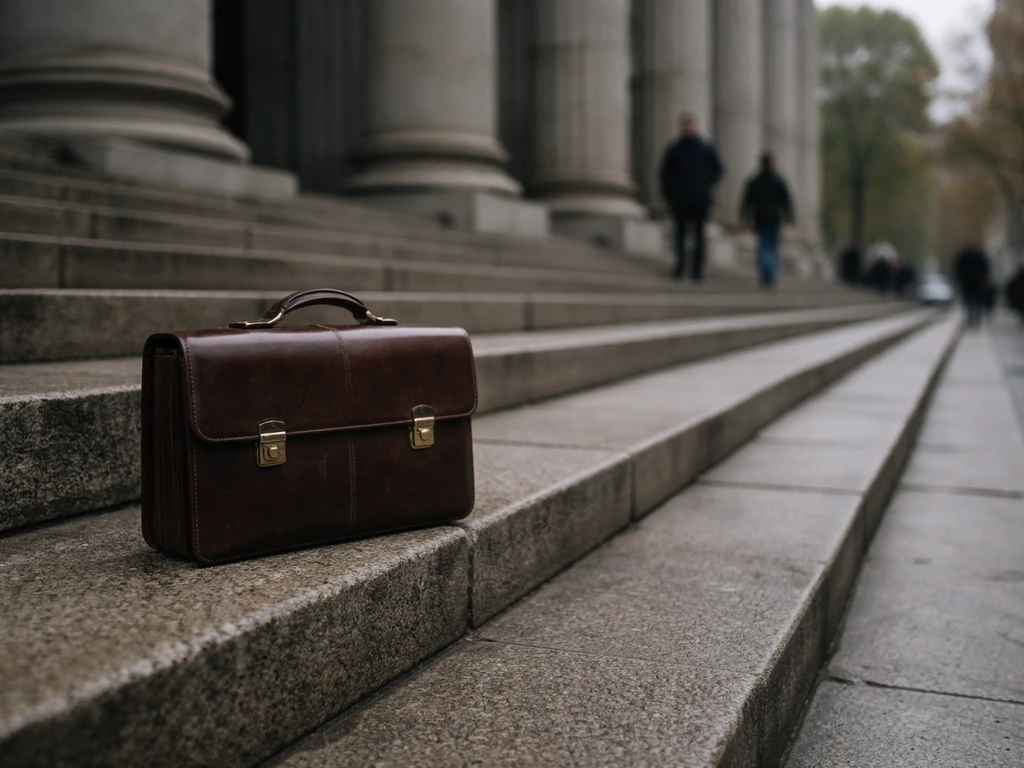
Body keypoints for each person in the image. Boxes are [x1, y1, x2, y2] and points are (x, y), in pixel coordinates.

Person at [659, 113, 724, 282]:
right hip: (680, 198)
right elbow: (665, 174)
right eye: (685, 126)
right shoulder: (675, 149)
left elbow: (718, 170)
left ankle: (697, 269)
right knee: (680, 233)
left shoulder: (706, 149)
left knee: (699, 235)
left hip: (699, 198)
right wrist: (667, 196)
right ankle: (680, 263)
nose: (688, 129)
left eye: (691, 125)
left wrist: (705, 183)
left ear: (696, 127)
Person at [739, 152, 795, 287]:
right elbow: (786, 201)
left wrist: (745, 216)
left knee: (763, 247)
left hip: (760, 218)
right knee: (773, 248)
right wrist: (789, 216)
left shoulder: (755, 181)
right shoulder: (778, 181)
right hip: (774, 218)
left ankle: (766, 273)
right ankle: (770, 273)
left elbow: (747, 201)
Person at [953, 242, 991, 327]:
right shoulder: (979, 256)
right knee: (976, 301)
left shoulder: (964, 256)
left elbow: (958, 269)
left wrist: (960, 279)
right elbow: (986, 268)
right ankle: (975, 317)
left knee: (970, 300)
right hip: (976, 283)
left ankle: (971, 317)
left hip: (968, 283)